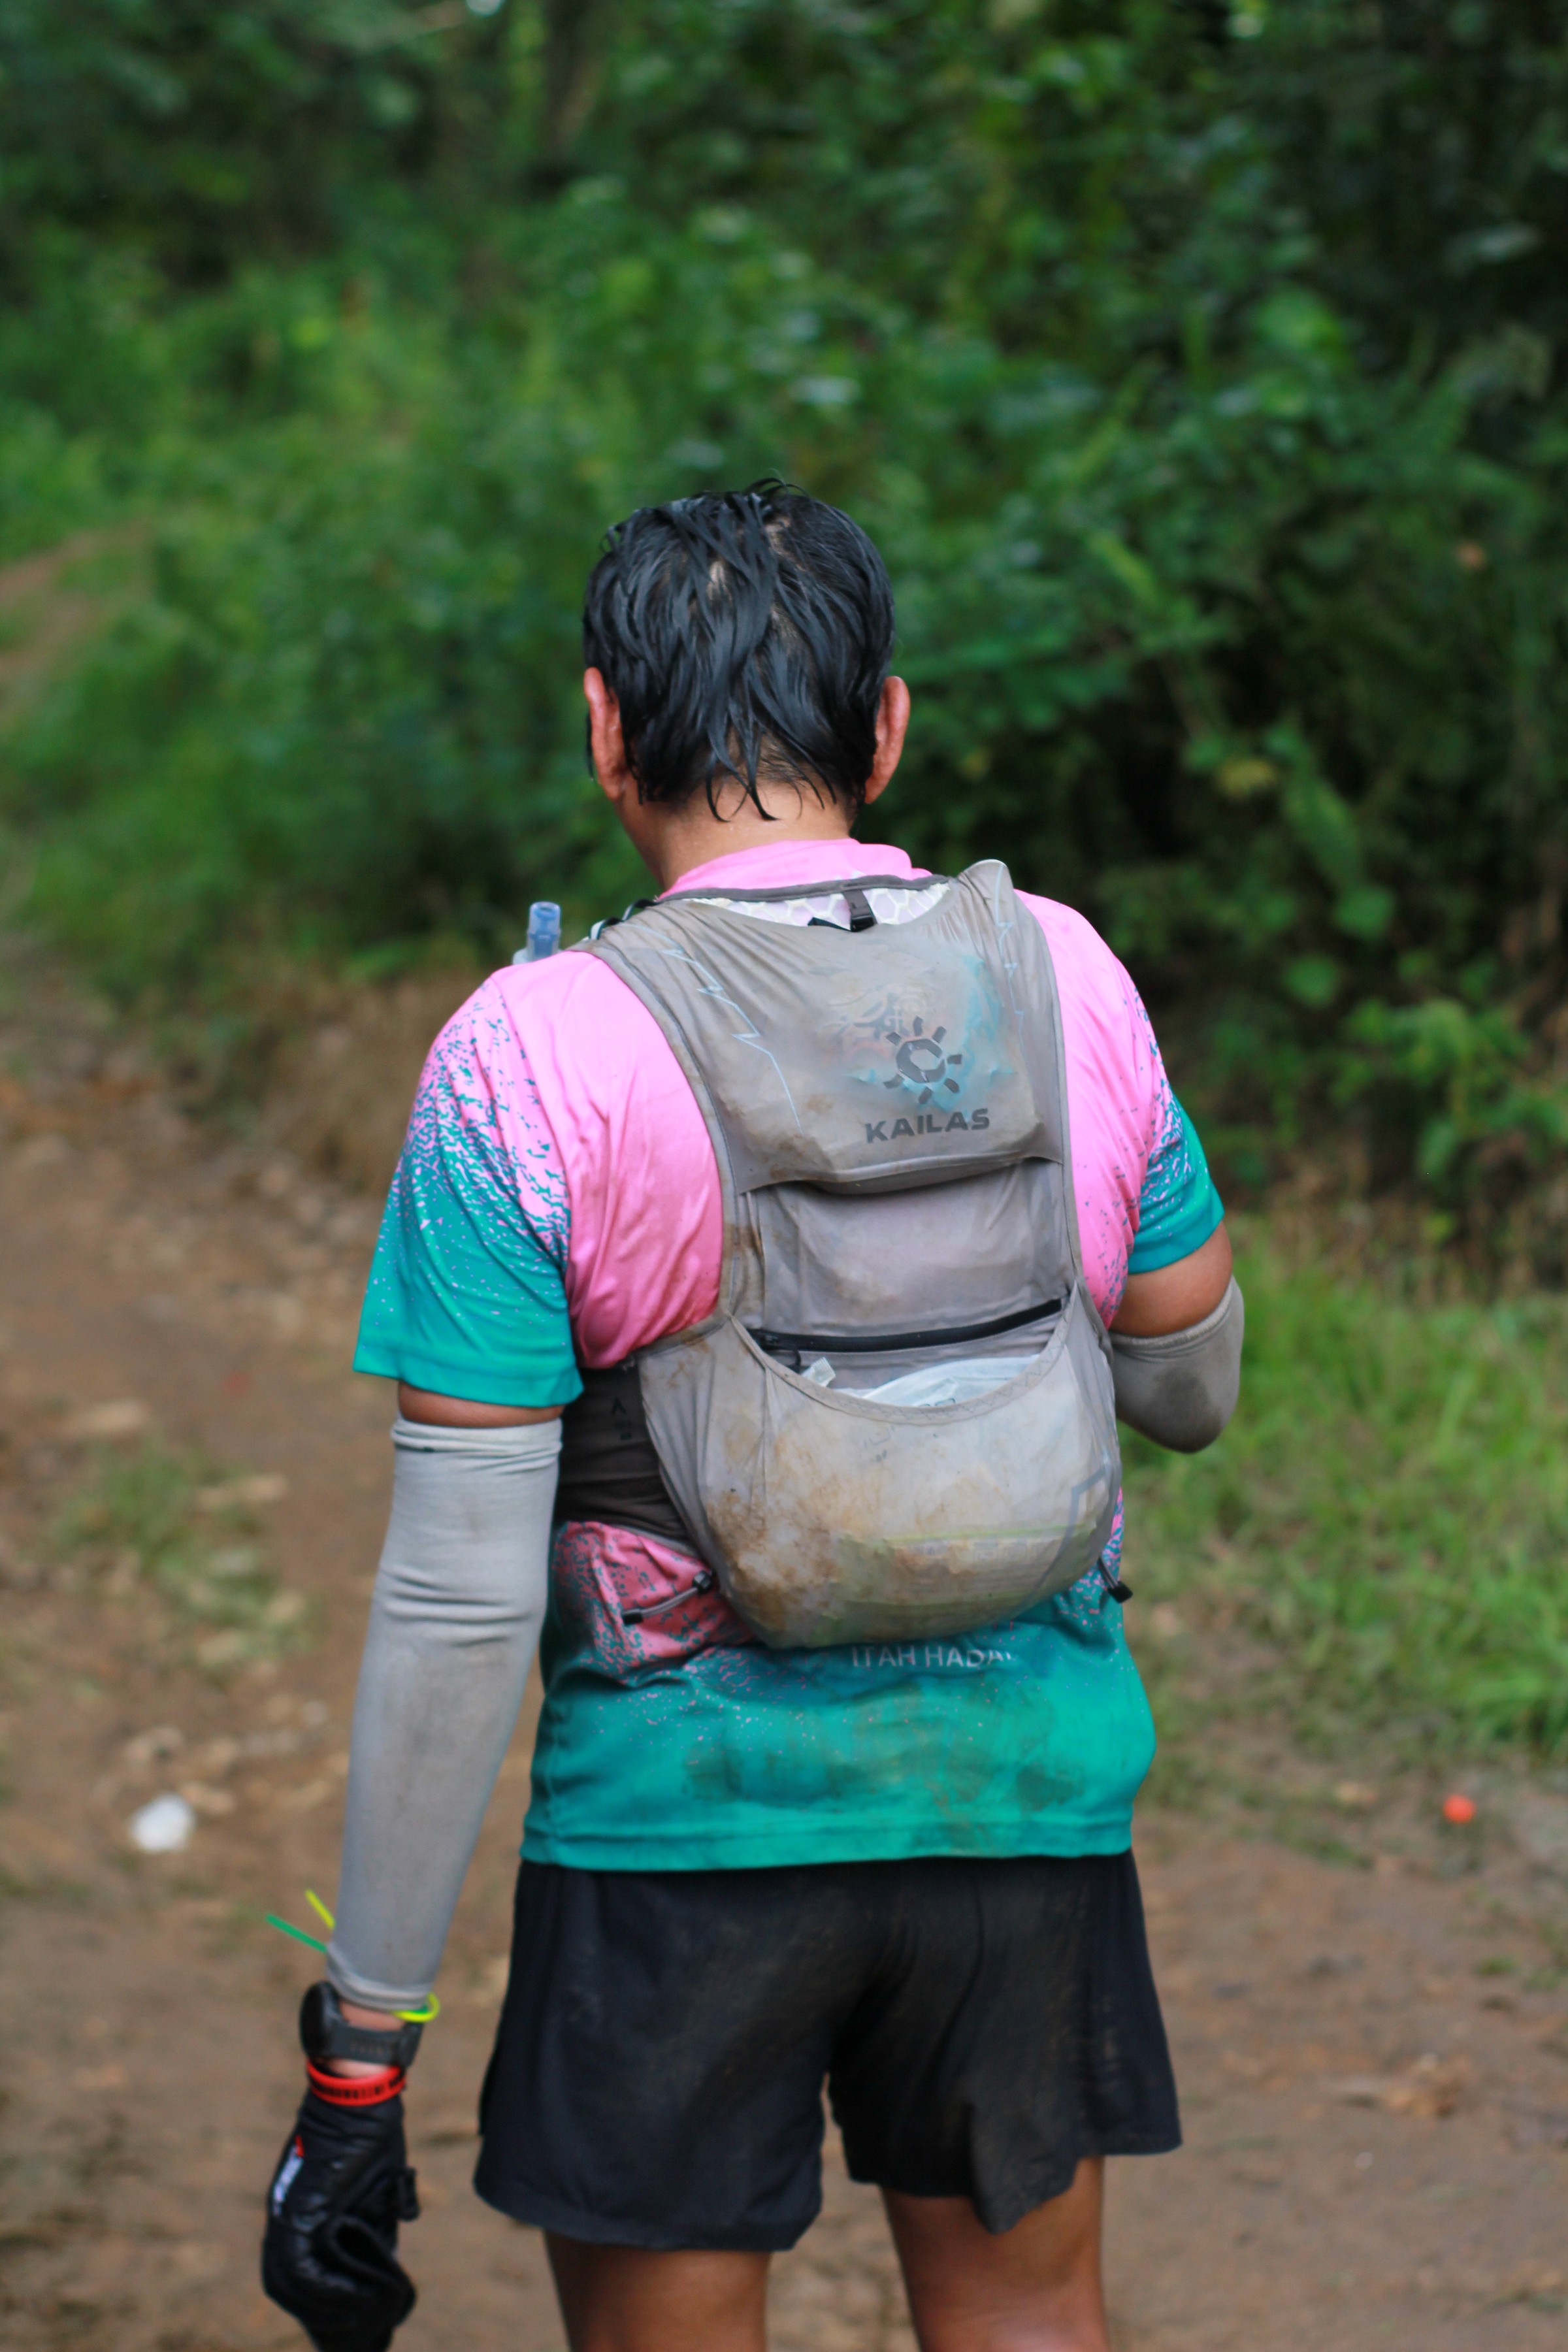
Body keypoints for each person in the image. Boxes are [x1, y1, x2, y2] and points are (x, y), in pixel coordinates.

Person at [261, 482, 1242, 2352]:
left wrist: (362, 2053)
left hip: (679, 1841)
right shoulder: (1066, 972)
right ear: (886, 728)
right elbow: (1191, 1384)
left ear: (603, 728)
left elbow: (462, 1597)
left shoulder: (524, 1055)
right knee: (1032, 2320)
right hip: (1024, 1806)